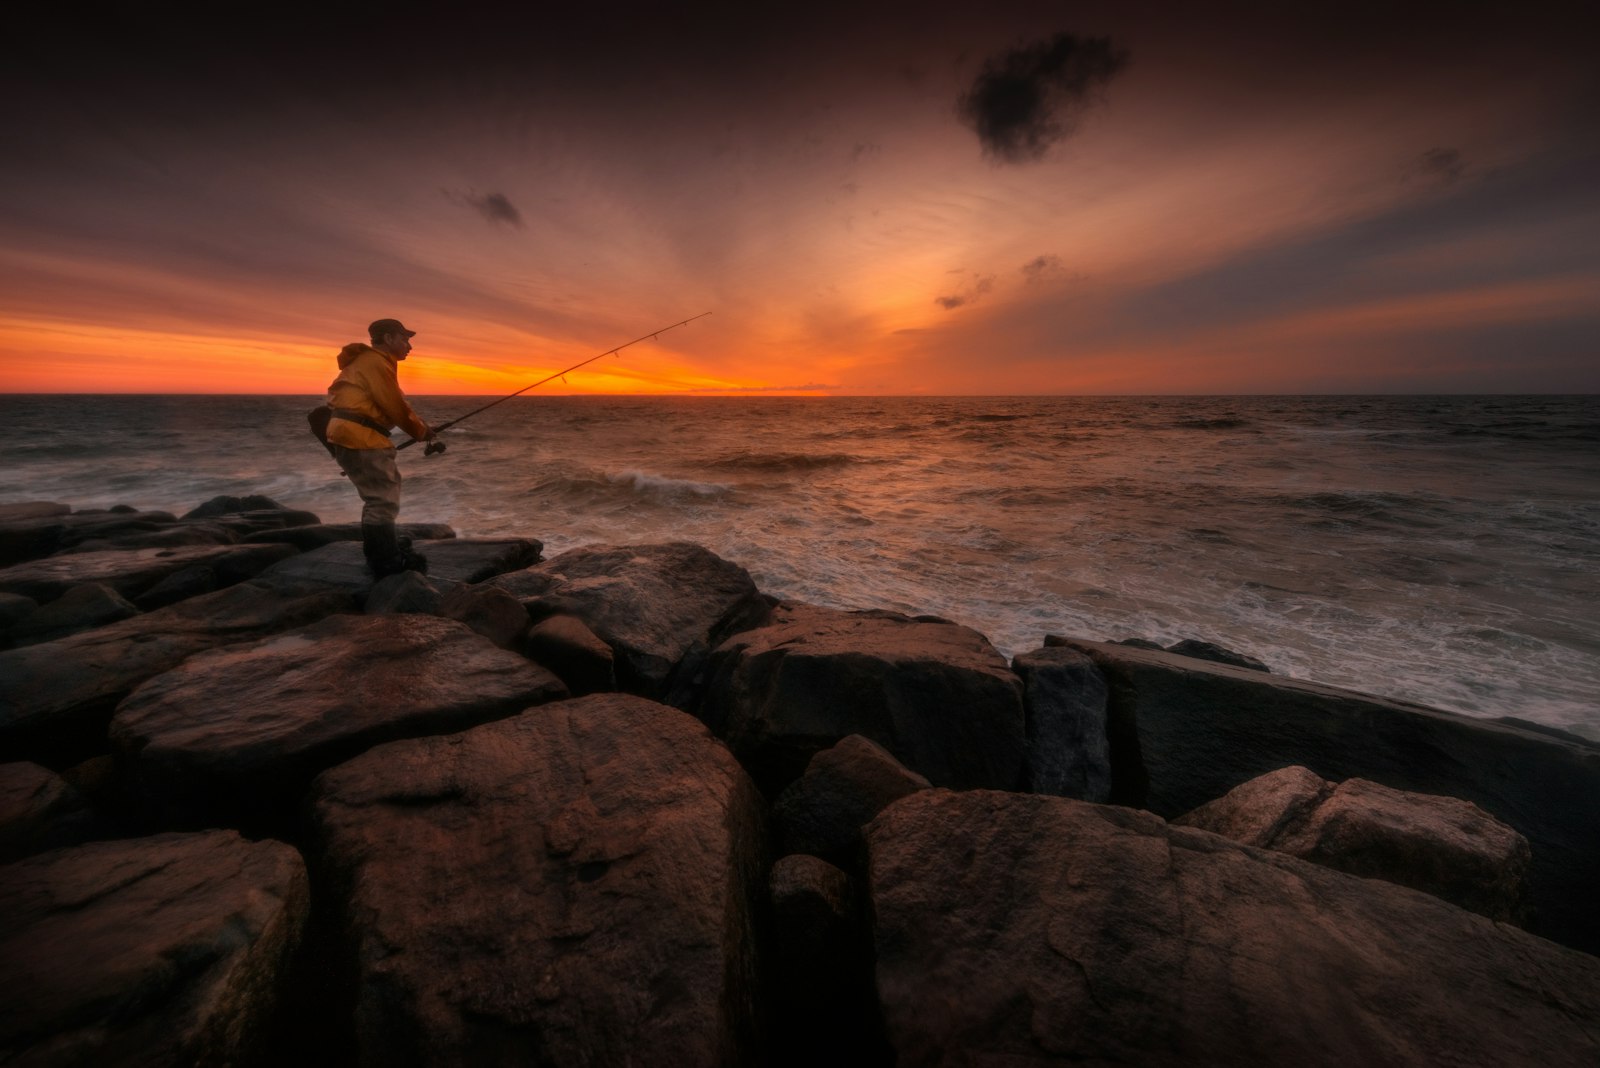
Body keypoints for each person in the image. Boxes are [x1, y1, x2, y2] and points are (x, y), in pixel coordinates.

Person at [324, 317, 441, 577]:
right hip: (360, 436)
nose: (409, 345)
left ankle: (382, 549)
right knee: (382, 500)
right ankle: (385, 563)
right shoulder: (376, 362)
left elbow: (390, 404)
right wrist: (421, 431)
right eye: (405, 339)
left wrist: (420, 427)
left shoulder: (368, 362)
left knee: (376, 497)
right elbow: (394, 406)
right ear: (388, 339)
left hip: (350, 433)